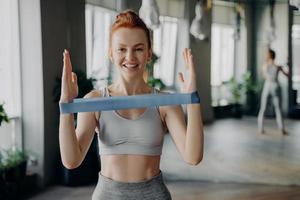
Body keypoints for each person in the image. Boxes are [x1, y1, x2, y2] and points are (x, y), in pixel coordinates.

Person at [59, 10, 204, 200]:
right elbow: (71, 161)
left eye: (138, 49)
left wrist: (192, 99)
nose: (130, 57)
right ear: (111, 53)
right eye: (121, 49)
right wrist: (66, 104)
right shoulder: (94, 101)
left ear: (149, 54)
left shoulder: (164, 103)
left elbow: (192, 157)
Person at [257, 48, 289, 135]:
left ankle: (261, 129)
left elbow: (264, 76)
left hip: (268, 86)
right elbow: (287, 75)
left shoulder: (265, 65)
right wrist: (286, 65)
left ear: (269, 55)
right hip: (275, 86)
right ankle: (282, 129)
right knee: (278, 109)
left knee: (263, 108)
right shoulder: (277, 66)